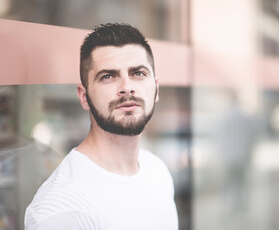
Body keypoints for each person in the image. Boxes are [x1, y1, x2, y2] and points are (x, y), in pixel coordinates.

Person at [25, 23, 178, 230]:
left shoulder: (157, 171)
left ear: (156, 89)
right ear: (84, 96)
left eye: (138, 73)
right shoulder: (60, 208)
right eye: (108, 76)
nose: (127, 88)